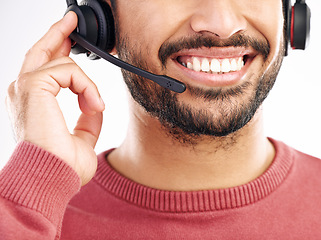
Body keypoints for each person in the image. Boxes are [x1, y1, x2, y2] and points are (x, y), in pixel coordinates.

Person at [1, 0, 320, 239]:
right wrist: (36, 184)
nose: (222, 23)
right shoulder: (36, 212)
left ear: (288, 11)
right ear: (103, 19)